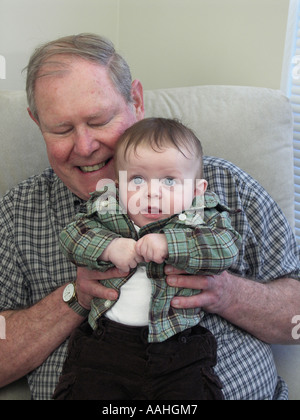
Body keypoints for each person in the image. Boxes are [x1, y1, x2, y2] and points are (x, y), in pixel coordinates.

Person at [0, 33, 299, 400]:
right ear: (36, 122)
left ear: (136, 101)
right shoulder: (19, 212)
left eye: (99, 120)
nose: (85, 146)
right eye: (61, 128)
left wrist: (226, 293)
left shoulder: (225, 185)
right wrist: (75, 298)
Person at [53, 117, 242, 400]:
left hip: (177, 347)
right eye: (137, 179)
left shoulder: (200, 217)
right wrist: (110, 247)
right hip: (106, 344)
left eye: (169, 180)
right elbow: (72, 236)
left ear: (196, 190)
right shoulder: (108, 211)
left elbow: (225, 247)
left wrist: (170, 243)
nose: (152, 192)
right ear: (118, 185)